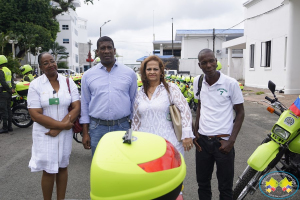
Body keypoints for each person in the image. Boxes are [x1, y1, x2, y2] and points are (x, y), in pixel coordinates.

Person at [132, 55, 194, 200]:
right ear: (144, 72)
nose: (152, 72)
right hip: (145, 144)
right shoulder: (139, 93)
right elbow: (136, 120)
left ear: (161, 71)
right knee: (150, 180)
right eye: (149, 69)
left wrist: (186, 135)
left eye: (155, 69)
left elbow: (185, 110)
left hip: (169, 143)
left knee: (171, 180)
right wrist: (134, 141)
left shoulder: (170, 88)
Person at [27, 52, 80, 200]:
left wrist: (59, 128)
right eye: (46, 63)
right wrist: (62, 126)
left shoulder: (68, 82)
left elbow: (76, 107)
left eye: (52, 61)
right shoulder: (35, 85)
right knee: (49, 169)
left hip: (63, 132)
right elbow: (35, 114)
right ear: (40, 67)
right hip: (45, 133)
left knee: (63, 166)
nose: (50, 65)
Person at [193, 49, 244, 200]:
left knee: (225, 187)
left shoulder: (231, 83)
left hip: (223, 143)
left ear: (216, 61)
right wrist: (195, 133)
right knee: (202, 184)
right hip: (202, 142)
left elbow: (240, 113)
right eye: (204, 63)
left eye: (211, 61)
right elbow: (200, 107)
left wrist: (231, 141)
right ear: (199, 65)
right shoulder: (198, 81)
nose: (208, 65)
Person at [80, 36, 137, 156]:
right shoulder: (88, 75)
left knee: (124, 161)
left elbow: (134, 102)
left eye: (109, 48)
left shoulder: (129, 73)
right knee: (100, 163)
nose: (106, 51)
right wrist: (85, 133)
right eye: (102, 48)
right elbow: (84, 106)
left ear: (114, 50)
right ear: (97, 52)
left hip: (123, 126)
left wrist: (133, 130)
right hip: (97, 128)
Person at [0, 55, 15, 133]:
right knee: (9, 110)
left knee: (3, 111)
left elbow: (3, 83)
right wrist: (12, 89)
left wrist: (9, 90)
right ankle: (10, 127)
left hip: (2, 93)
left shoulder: (1, 71)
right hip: (8, 94)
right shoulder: (8, 70)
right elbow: (12, 82)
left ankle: (5, 128)